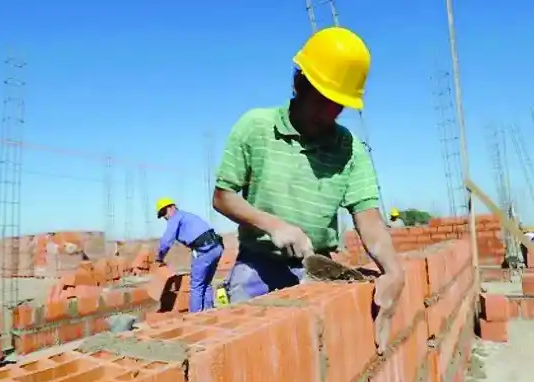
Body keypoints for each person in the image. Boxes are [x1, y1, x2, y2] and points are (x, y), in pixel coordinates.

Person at [212, 26, 404, 353]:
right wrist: (273, 225)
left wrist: (394, 271)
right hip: (258, 264)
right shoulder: (255, 127)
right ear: (299, 83)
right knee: (245, 355)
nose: (330, 113)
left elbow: (369, 220)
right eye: (323, 99)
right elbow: (222, 197)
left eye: (339, 105)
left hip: (318, 269)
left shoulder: (350, 149)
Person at [155, 197, 224, 312]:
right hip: (216, 247)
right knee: (205, 283)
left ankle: (195, 318)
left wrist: (159, 258)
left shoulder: (175, 218)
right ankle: (209, 312)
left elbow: (166, 241)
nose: (165, 217)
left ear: (172, 207)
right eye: (162, 215)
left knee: (196, 286)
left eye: (164, 212)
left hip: (204, 250)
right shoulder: (187, 216)